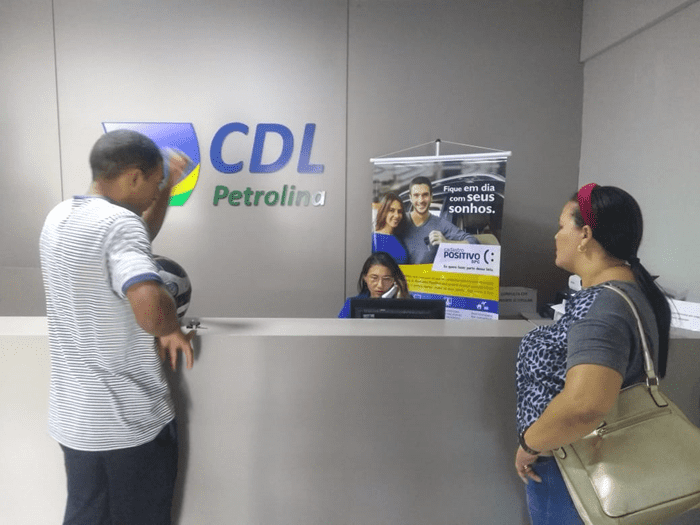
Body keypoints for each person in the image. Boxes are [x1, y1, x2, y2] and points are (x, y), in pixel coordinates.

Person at [39, 129, 195, 525]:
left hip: (77, 421)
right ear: (134, 177)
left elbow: (134, 240)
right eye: (156, 181)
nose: (157, 190)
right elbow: (149, 307)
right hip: (128, 423)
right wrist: (169, 327)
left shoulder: (60, 217)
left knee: (87, 515)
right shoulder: (120, 226)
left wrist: (167, 191)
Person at [514, 184, 671, 524]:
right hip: (597, 463)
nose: (556, 236)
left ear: (585, 235)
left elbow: (584, 406)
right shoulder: (625, 294)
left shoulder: (602, 307)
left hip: (575, 469)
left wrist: (530, 445)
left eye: (561, 226)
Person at [402, 176, 479, 264]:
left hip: (426, 273)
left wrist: (446, 243)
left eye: (425, 195)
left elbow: (474, 242)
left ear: (431, 197)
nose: (421, 200)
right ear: (410, 198)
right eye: (416, 195)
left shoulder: (441, 224)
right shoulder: (399, 221)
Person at [338, 251, 411, 318]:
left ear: (395, 280)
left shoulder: (408, 302)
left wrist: (402, 301)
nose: (380, 285)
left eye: (386, 279)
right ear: (365, 278)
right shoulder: (352, 304)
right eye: (374, 278)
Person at [372, 192, 409, 264]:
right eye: (392, 210)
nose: (396, 215)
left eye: (399, 211)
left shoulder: (400, 237)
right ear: (384, 211)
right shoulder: (373, 239)